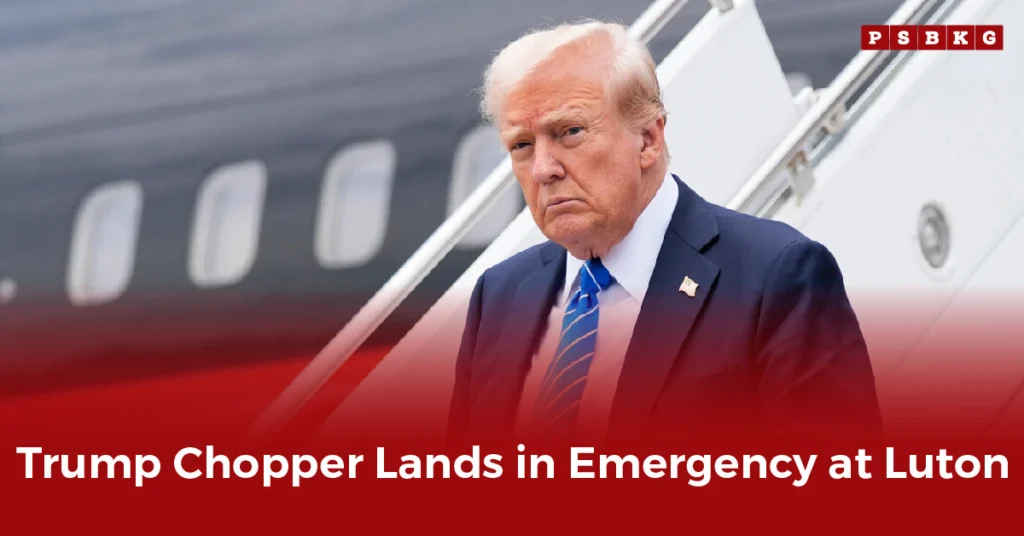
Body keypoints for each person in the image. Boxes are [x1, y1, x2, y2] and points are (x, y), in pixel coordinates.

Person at [446, 20, 882, 447]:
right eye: (522, 146)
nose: (543, 169)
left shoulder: (776, 276)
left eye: (570, 132)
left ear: (649, 139)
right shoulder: (499, 296)